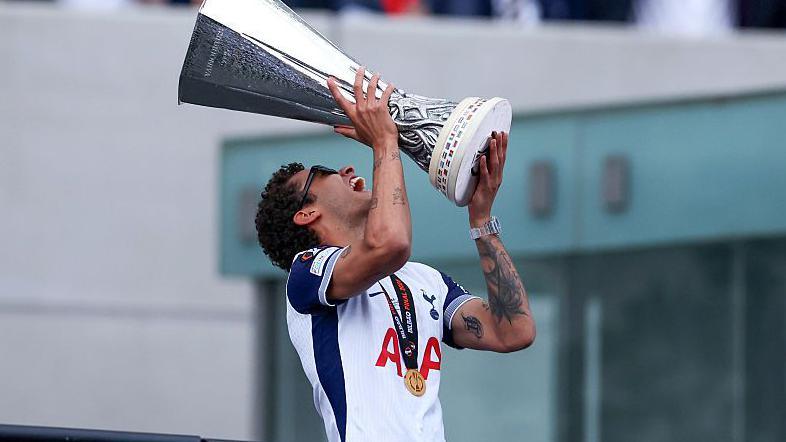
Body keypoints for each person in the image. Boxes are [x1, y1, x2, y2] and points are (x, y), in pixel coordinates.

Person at [254, 67, 536, 442]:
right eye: (324, 172)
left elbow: (513, 332)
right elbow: (391, 245)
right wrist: (385, 142)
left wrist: (481, 219)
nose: (347, 170)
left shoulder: (425, 280)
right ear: (307, 214)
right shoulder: (307, 274)